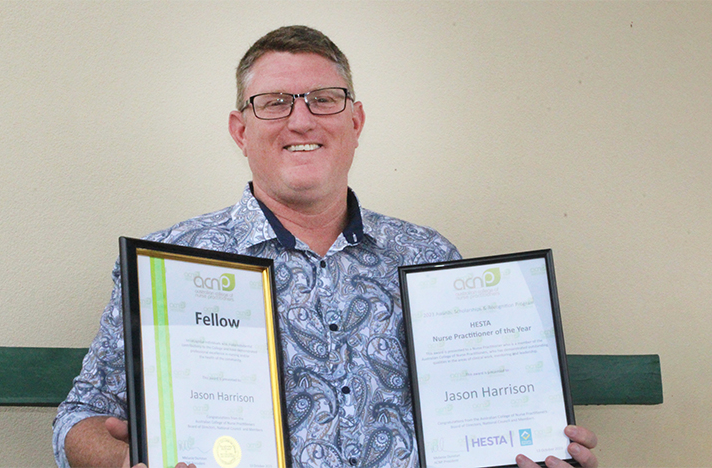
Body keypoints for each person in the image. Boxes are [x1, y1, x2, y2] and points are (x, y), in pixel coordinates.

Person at [53, 25, 599, 468]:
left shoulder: (430, 257)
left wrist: (543, 454)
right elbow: (78, 422)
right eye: (273, 103)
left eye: (323, 99)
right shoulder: (172, 262)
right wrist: (127, 465)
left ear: (355, 122)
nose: (301, 119)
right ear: (240, 131)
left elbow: (488, 416)